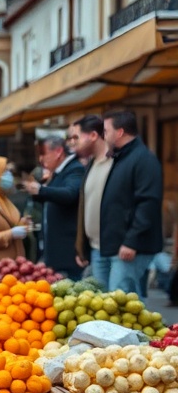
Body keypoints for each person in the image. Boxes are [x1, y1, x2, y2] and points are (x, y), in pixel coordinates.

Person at [98, 109, 163, 297]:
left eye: (106, 131)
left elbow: (148, 203)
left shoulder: (143, 159)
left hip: (131, 247)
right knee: (123, 301)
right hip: (118, 245)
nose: (104, 136)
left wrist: (131, 241)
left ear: (120, 132)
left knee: (121, 301)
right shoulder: (123, 157)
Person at [24, 136, 83, 280]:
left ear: (58, 152)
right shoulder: (57, 172)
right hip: (55, 253)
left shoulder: (74, 169)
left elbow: (69, 194)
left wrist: (41, 190)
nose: (41, 159)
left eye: (43, 153)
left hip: (68, 253)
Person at [72, 115, 113, 285]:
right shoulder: (90, 164)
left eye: (77, 137)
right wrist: (81, 246)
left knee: (124, 296)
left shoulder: (115, 162)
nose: (73, 143)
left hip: (117, 248)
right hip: (96, 248)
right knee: (101, 297)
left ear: (94, 135)